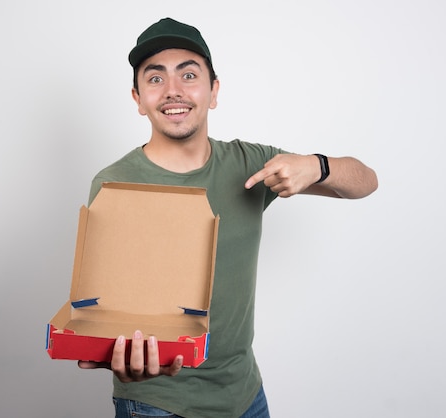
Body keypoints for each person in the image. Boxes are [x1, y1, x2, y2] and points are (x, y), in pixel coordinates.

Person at [77, 17, 378, 418]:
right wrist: (118, 358)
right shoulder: (114, 184)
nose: (173, 91)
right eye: (155, 79)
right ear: (137, 98)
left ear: (213, 91)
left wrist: (315, 165)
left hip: (246, 395)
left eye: (189, 74)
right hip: (158, 403)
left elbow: (365, 182)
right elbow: (101, 309)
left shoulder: (250, 165)